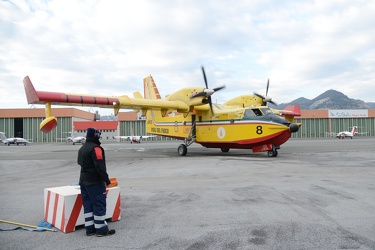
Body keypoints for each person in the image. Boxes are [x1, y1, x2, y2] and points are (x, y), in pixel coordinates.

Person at [77, 127, 116, 237]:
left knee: (88, 206)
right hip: (94, 182)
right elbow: (100, 166)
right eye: (97, 134)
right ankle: (101, 230)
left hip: (83, 181)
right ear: (94, 135)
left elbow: (79, 162)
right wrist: (106, 180)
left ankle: (90, 230)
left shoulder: (82, 148)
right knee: (99, 204)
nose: (99, 135)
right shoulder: (96, 148)